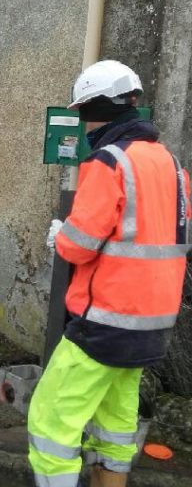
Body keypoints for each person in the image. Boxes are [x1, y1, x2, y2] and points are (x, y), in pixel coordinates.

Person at [28, 60, 190, 487]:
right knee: (115, 426)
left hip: (102, 323)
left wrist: (60, 236)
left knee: (50, 427)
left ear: (92, 109)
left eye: (81, 113)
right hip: (151, 327)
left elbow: (79, 247)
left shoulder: (107, 161)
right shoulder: (172, 166)